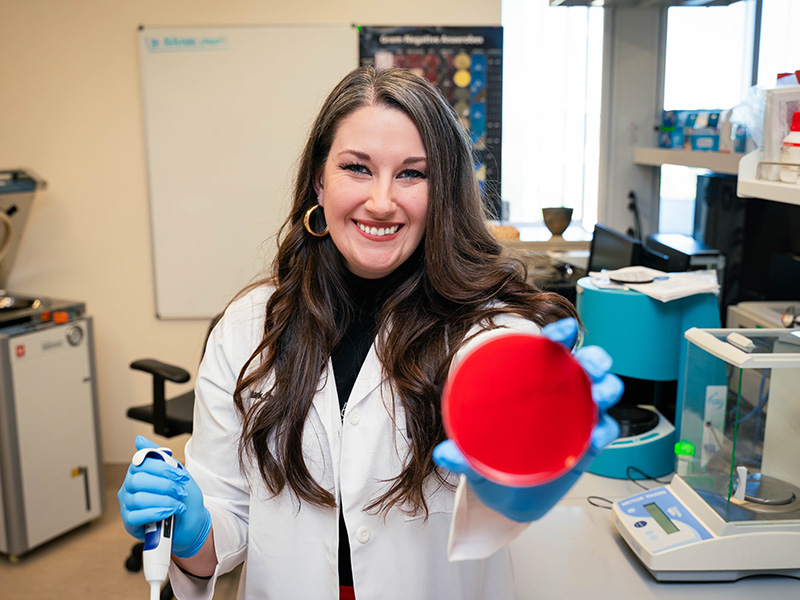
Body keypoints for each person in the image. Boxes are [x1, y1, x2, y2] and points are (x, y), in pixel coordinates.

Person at [118, 66, 622, 600]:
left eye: (412, 174)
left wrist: (519, 479)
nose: (382, 202)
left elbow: (501, 476)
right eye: (357, 168)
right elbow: (224, 530)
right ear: (319, 179)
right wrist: (190, 528)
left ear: (444, 190)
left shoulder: (490, 331)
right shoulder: (248, 327)